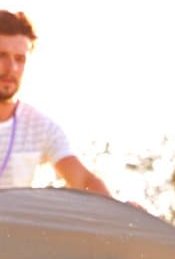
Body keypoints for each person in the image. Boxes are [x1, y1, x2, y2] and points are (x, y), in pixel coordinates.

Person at [0, 10, 110, 194]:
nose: (11, 68)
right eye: (1, 55)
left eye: (20, 59)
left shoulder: (40, 126)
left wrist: (123, 211)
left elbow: (84, 180)